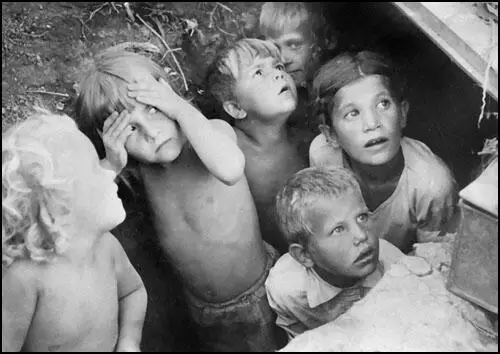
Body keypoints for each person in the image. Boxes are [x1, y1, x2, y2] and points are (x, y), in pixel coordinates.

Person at [74, 48, 279, 351]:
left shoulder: (211, 136)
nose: (152, 134)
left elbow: (231, 168)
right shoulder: (143, 171)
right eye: (131, 129)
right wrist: (113, 164)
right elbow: (86, 214)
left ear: (168, 95)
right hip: (201, 309)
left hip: (259, 294)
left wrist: (180, 108)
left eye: (154, 110)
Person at [2, 109, 147, 352]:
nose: (110, 172)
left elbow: (133, 292)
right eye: (96, 167)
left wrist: (129, 341)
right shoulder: (24, 278)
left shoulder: (107, 248)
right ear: (58, 210)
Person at [309, 51, 458, 254]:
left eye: (383, 104)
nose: (372, 124)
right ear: (331, 135)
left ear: (403, 113)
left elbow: (433, 259)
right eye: (352, 113)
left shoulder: (431, 185)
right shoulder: (323, 156)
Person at [265, 166, 404, 342]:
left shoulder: (394, 268)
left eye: (362, 217)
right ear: (304, 255)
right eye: (339, 229)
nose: (361, 235)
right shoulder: (286, 289)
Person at [205, 38, 313, 254]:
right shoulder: (233, 147)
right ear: (236, 109)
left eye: (278, 66)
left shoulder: (305, 137)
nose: (278, 74)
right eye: (258, 73)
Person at [258, 2, 338, 135]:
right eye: (275, 48)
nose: (283, 59)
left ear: (324, 40)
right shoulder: (275, 98)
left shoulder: (339, 87)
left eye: (294, 45)